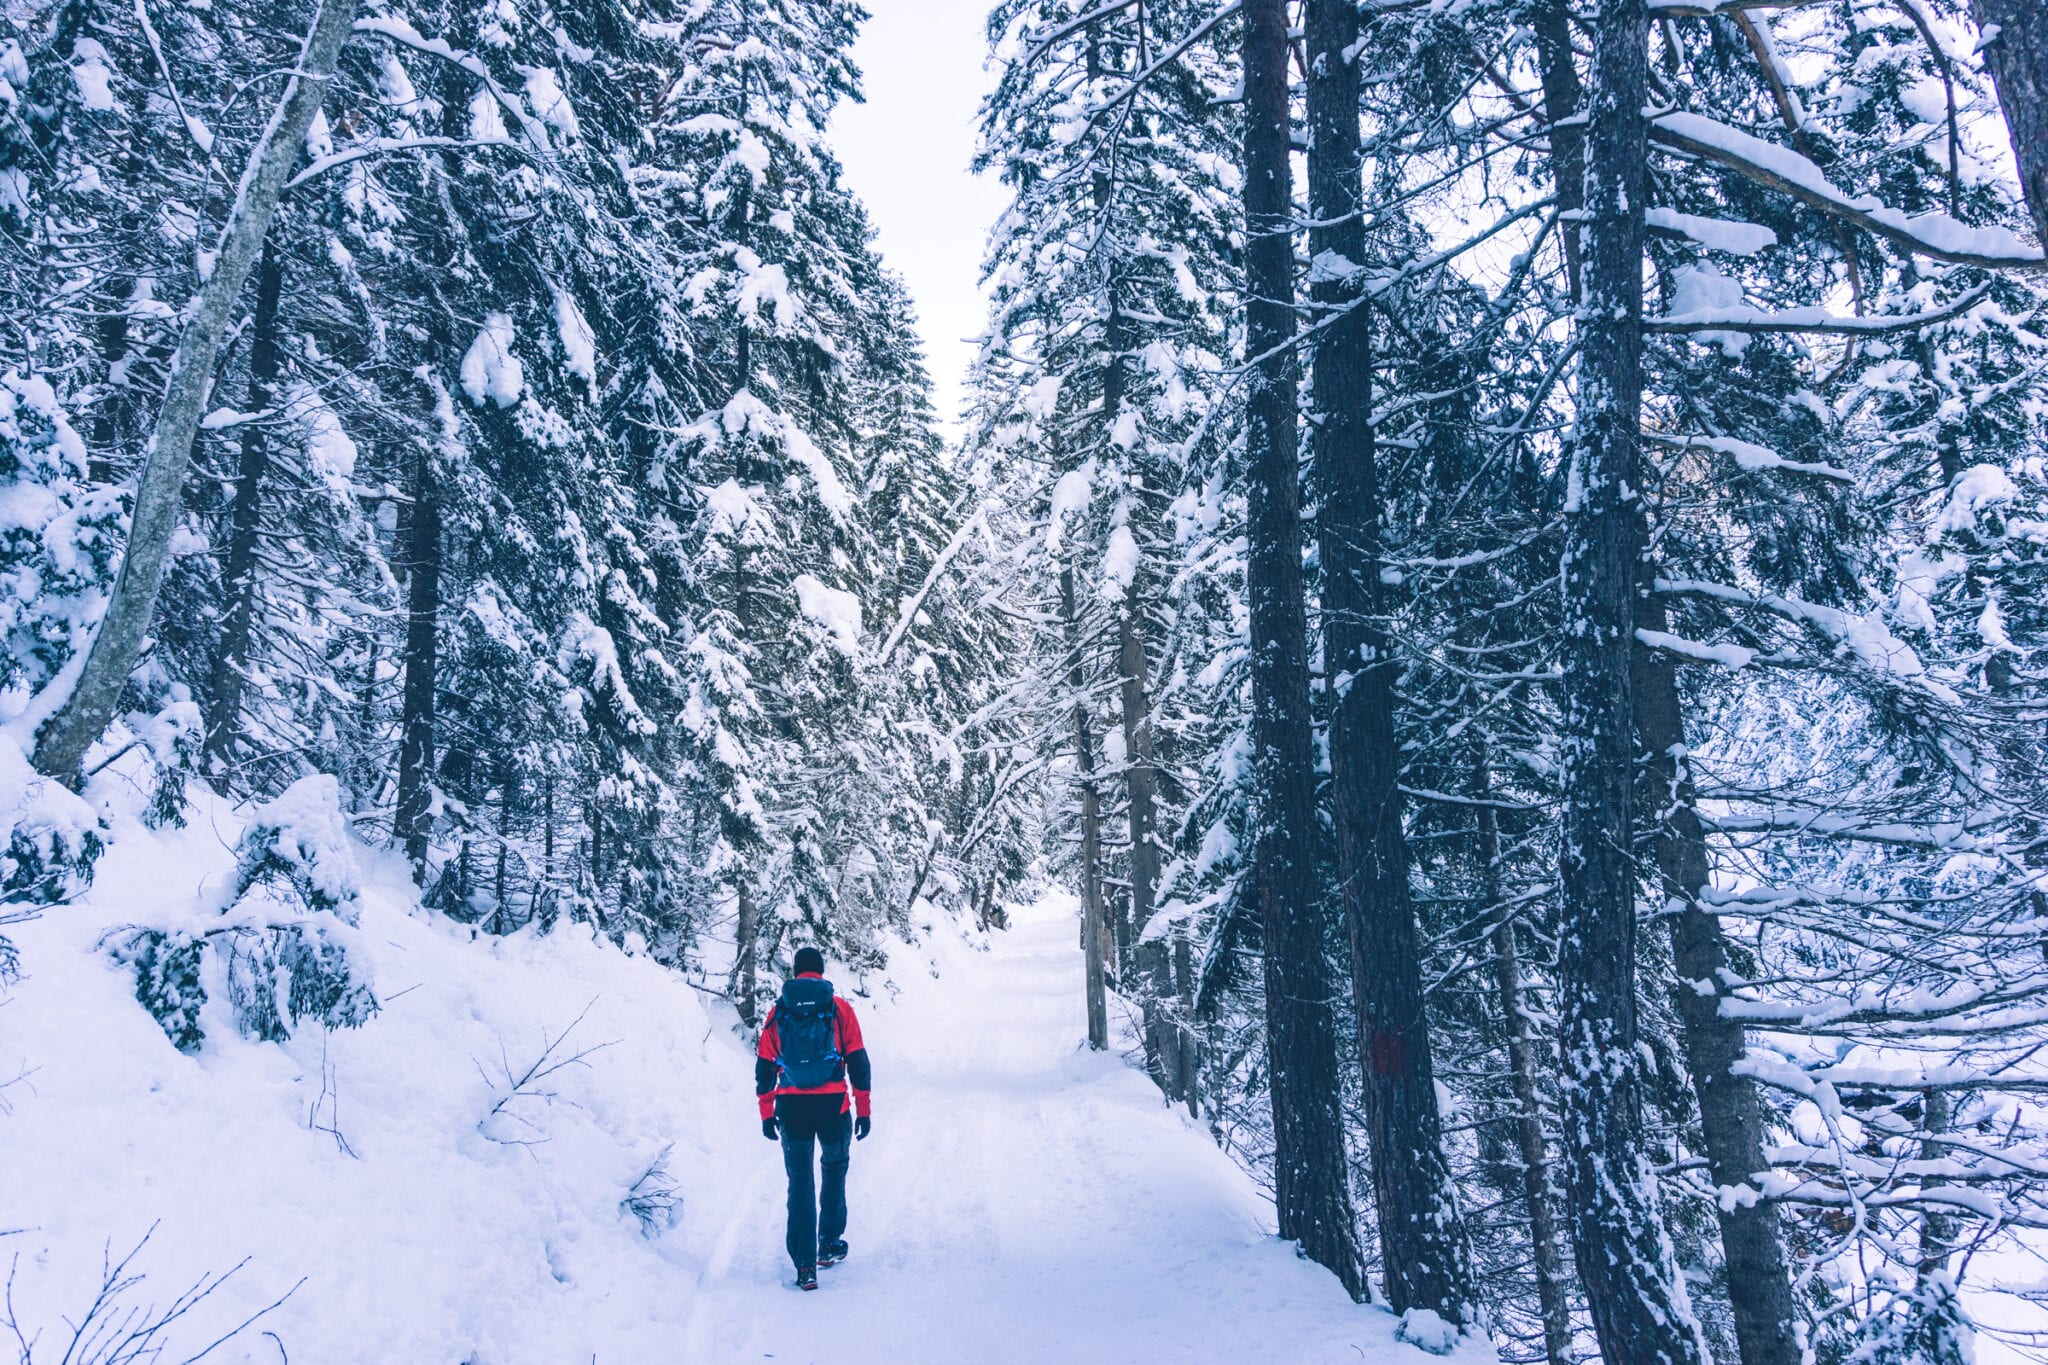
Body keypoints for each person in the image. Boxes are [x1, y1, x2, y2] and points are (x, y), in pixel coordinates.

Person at [756, 946, 872, 1291]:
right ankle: (829, 1244)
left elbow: (765, 1068)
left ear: (795, 972)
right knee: (834, 1170)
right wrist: (863, 1109)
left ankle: (805, 1266)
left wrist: (766, 1112)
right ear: (821, 972)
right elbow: (859, 1062)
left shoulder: (779, 1012)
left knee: (800, 1183)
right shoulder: (839, 1009)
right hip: (834, 1106)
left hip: (792, 1109)